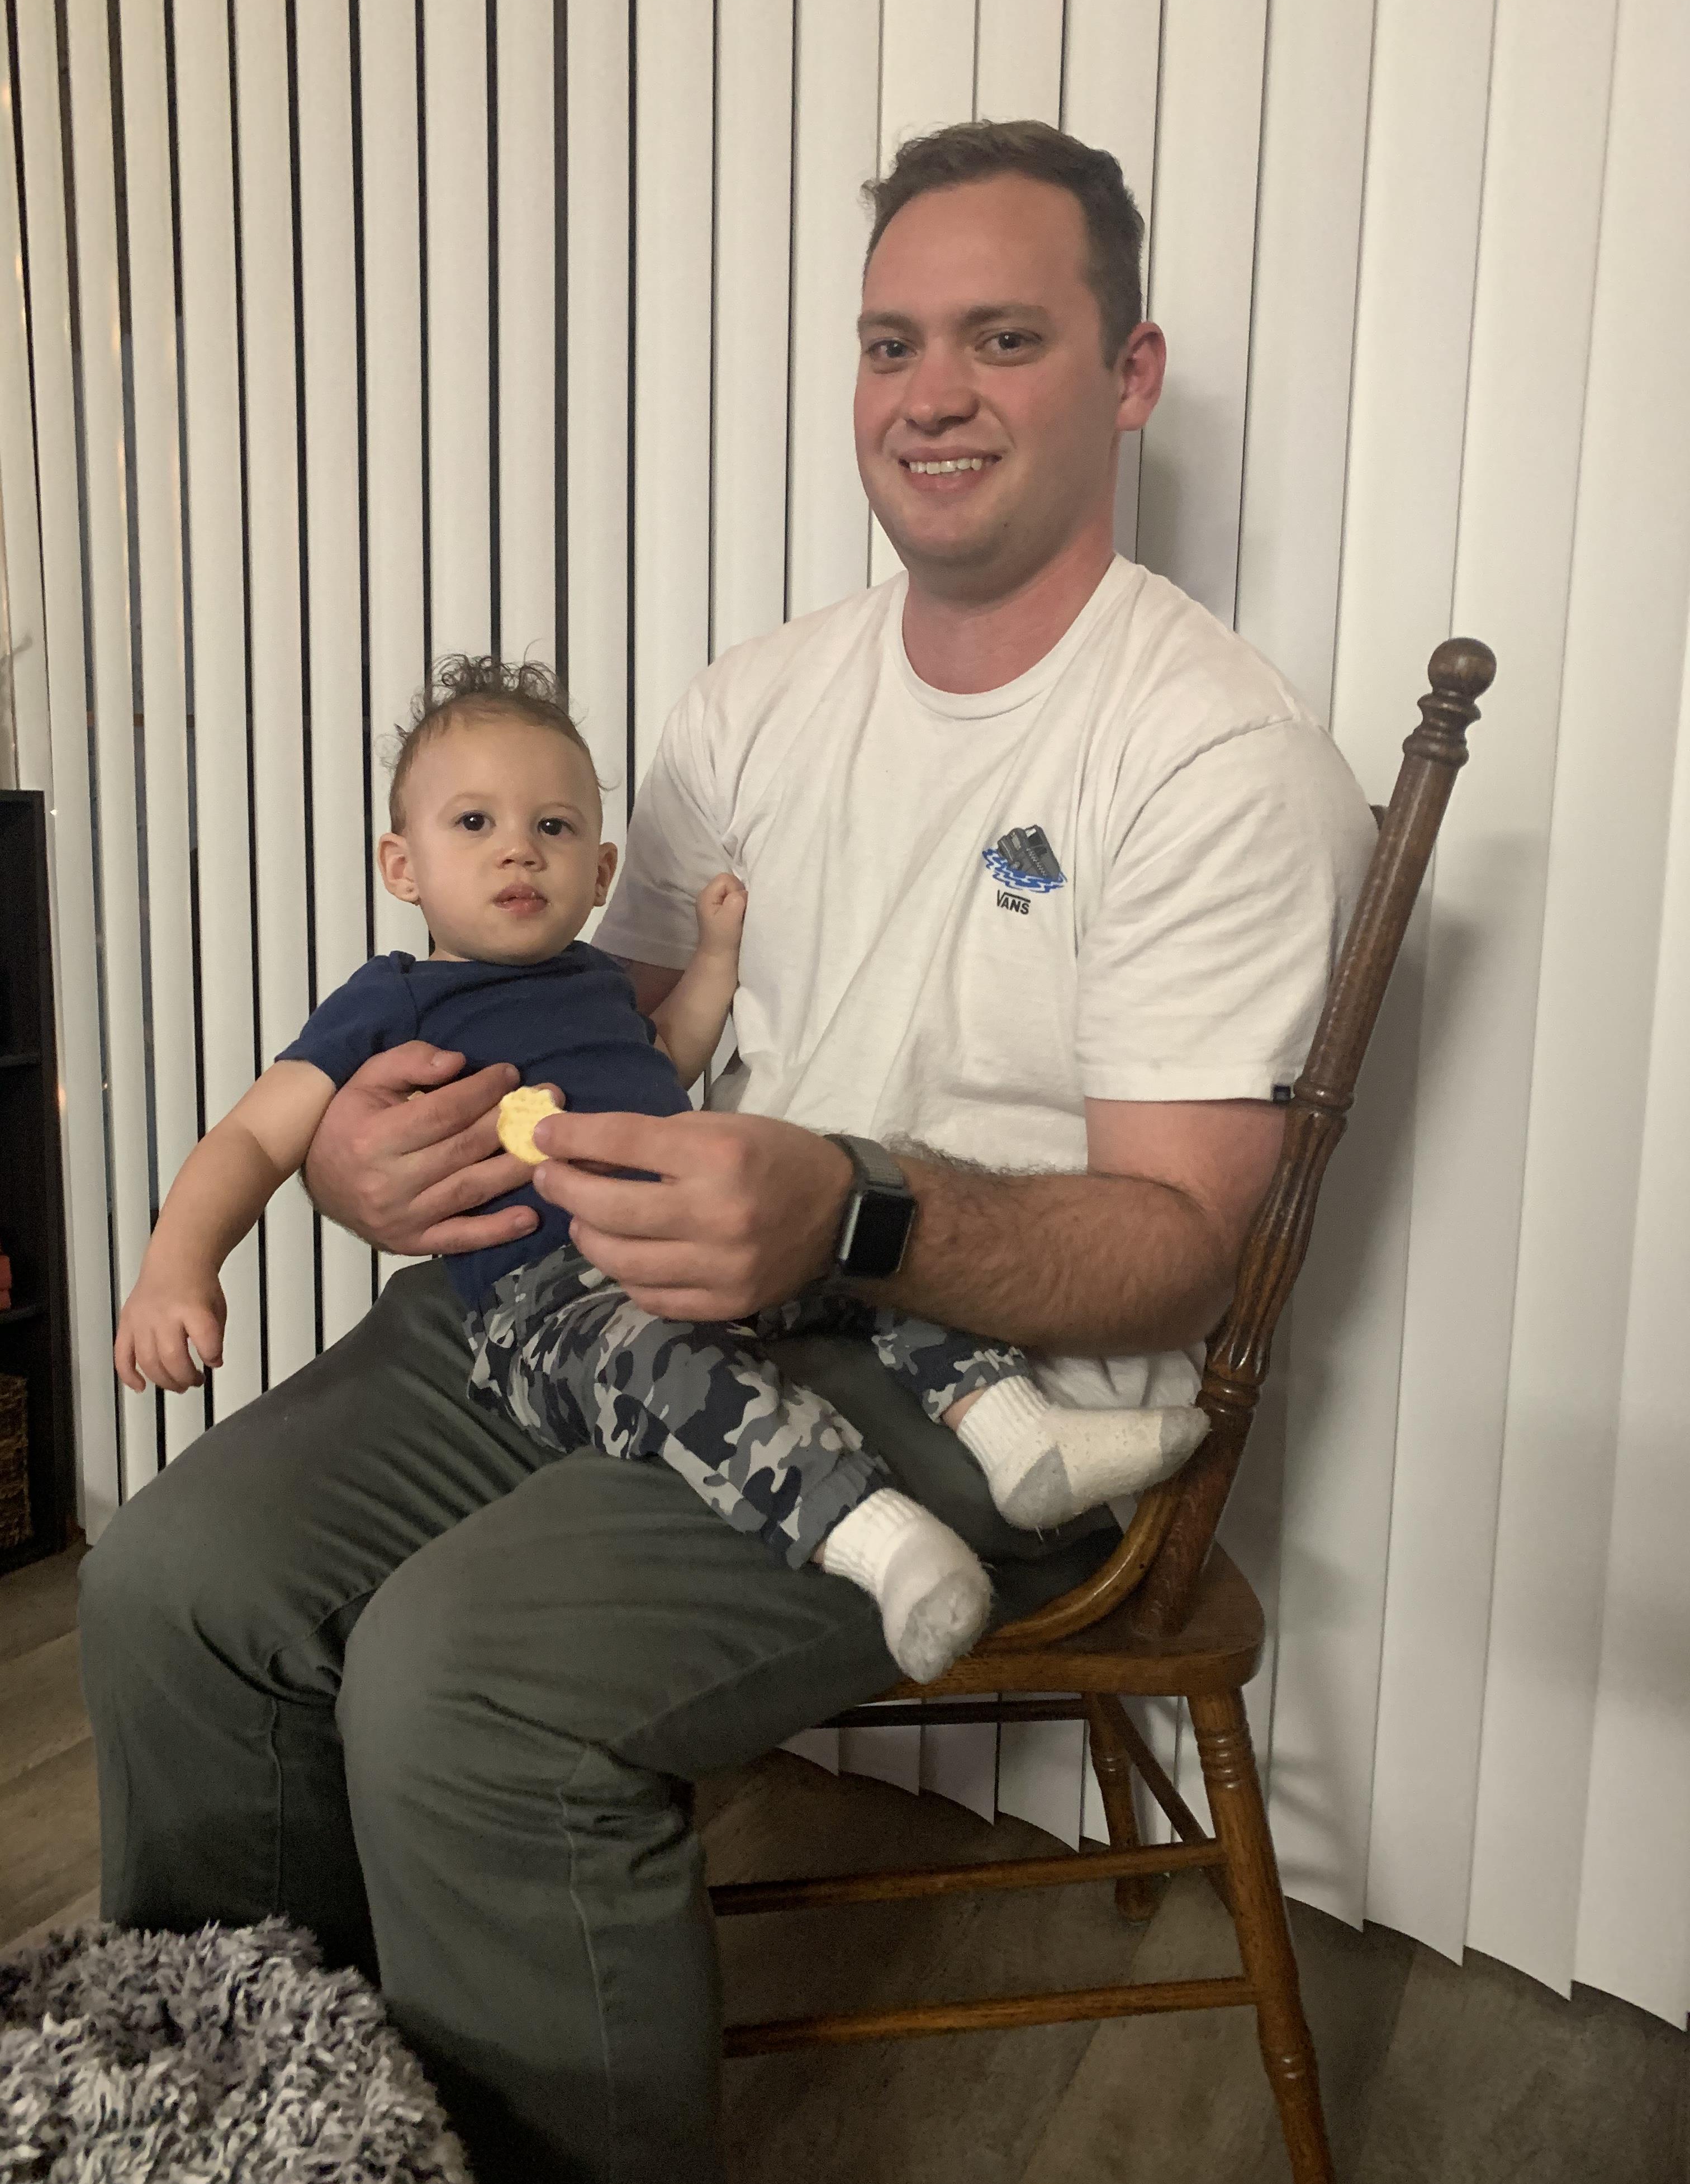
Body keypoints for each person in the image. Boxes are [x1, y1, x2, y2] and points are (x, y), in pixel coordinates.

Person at [78, 120, 1377, 2184]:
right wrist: (352, 1170)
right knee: (172, 1582)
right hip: (604, 1291)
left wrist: (848, 1202)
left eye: (1002, 336)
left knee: (456, 1683)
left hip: (960, 1364)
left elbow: (1180, 1256)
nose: (928, 391)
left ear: (1127, 375)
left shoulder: (1211, 753)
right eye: (889, 342)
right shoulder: (745, 703)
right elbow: (571, 1026)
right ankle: (277, 2121)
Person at [111, 657, 1208, 1684]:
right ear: (403, 865)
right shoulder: (396, 1000)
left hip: (693, 1240)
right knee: (676, 1372)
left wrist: (718, 958)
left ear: (599, 870)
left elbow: (668, 1060)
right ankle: (883, 1545)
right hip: (546, 1308)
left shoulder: (590, 980)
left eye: (551, 826)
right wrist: (176, 1266)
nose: (516, 851)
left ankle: (1020, 1442)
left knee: (865, 1249)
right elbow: (255, 1136)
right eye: (475, 824)